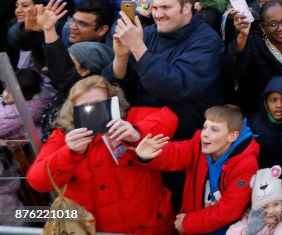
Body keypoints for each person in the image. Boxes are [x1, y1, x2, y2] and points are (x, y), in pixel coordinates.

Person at [26, 76, 179, 234]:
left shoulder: (130, 119)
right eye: (85, 107)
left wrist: (137, 132)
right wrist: (70, 153)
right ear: (73, 110)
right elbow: (38, 181)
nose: (95, 111)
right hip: (100, 230)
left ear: (114, 102)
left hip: (151, 225)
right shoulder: (64, 137)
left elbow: (169, 118)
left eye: (101, 104)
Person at [107, 0, 224, 138]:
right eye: (155, 8)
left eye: (165, 7)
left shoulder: (208, 42)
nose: (158, 14)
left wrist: (138, 47)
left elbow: (175, 86)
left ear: (187, 8)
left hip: (183, 134)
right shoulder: (148, 33)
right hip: (140, 127)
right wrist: (121, 58)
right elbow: (119, 88)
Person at [134, 104, 260, 234]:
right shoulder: (198, 143)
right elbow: (176, 153)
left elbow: (229, 210)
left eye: (214, 130)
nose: (205, 134)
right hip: (195, 226)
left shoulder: (246, 164)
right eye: (205, 127)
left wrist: (187, 223)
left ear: (232, 136)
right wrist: (150, 154)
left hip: (225, 230)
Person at [226, 165, 282, 235]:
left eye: (276, 204)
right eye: (265, 207)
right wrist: (247, 231)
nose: (271, 211)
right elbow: (232, 231)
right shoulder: (250, 219)